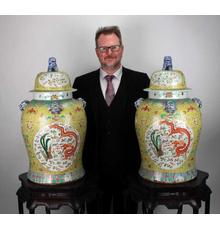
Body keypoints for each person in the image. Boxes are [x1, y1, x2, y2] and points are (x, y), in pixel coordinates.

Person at [73, 26, 150, 213]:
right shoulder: (80, 84)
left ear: (122, 48)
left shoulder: (142, 82)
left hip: (130, 173)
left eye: (114, 47)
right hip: (92, 174)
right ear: (96, 52)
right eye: (103, 48)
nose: (109, 53)